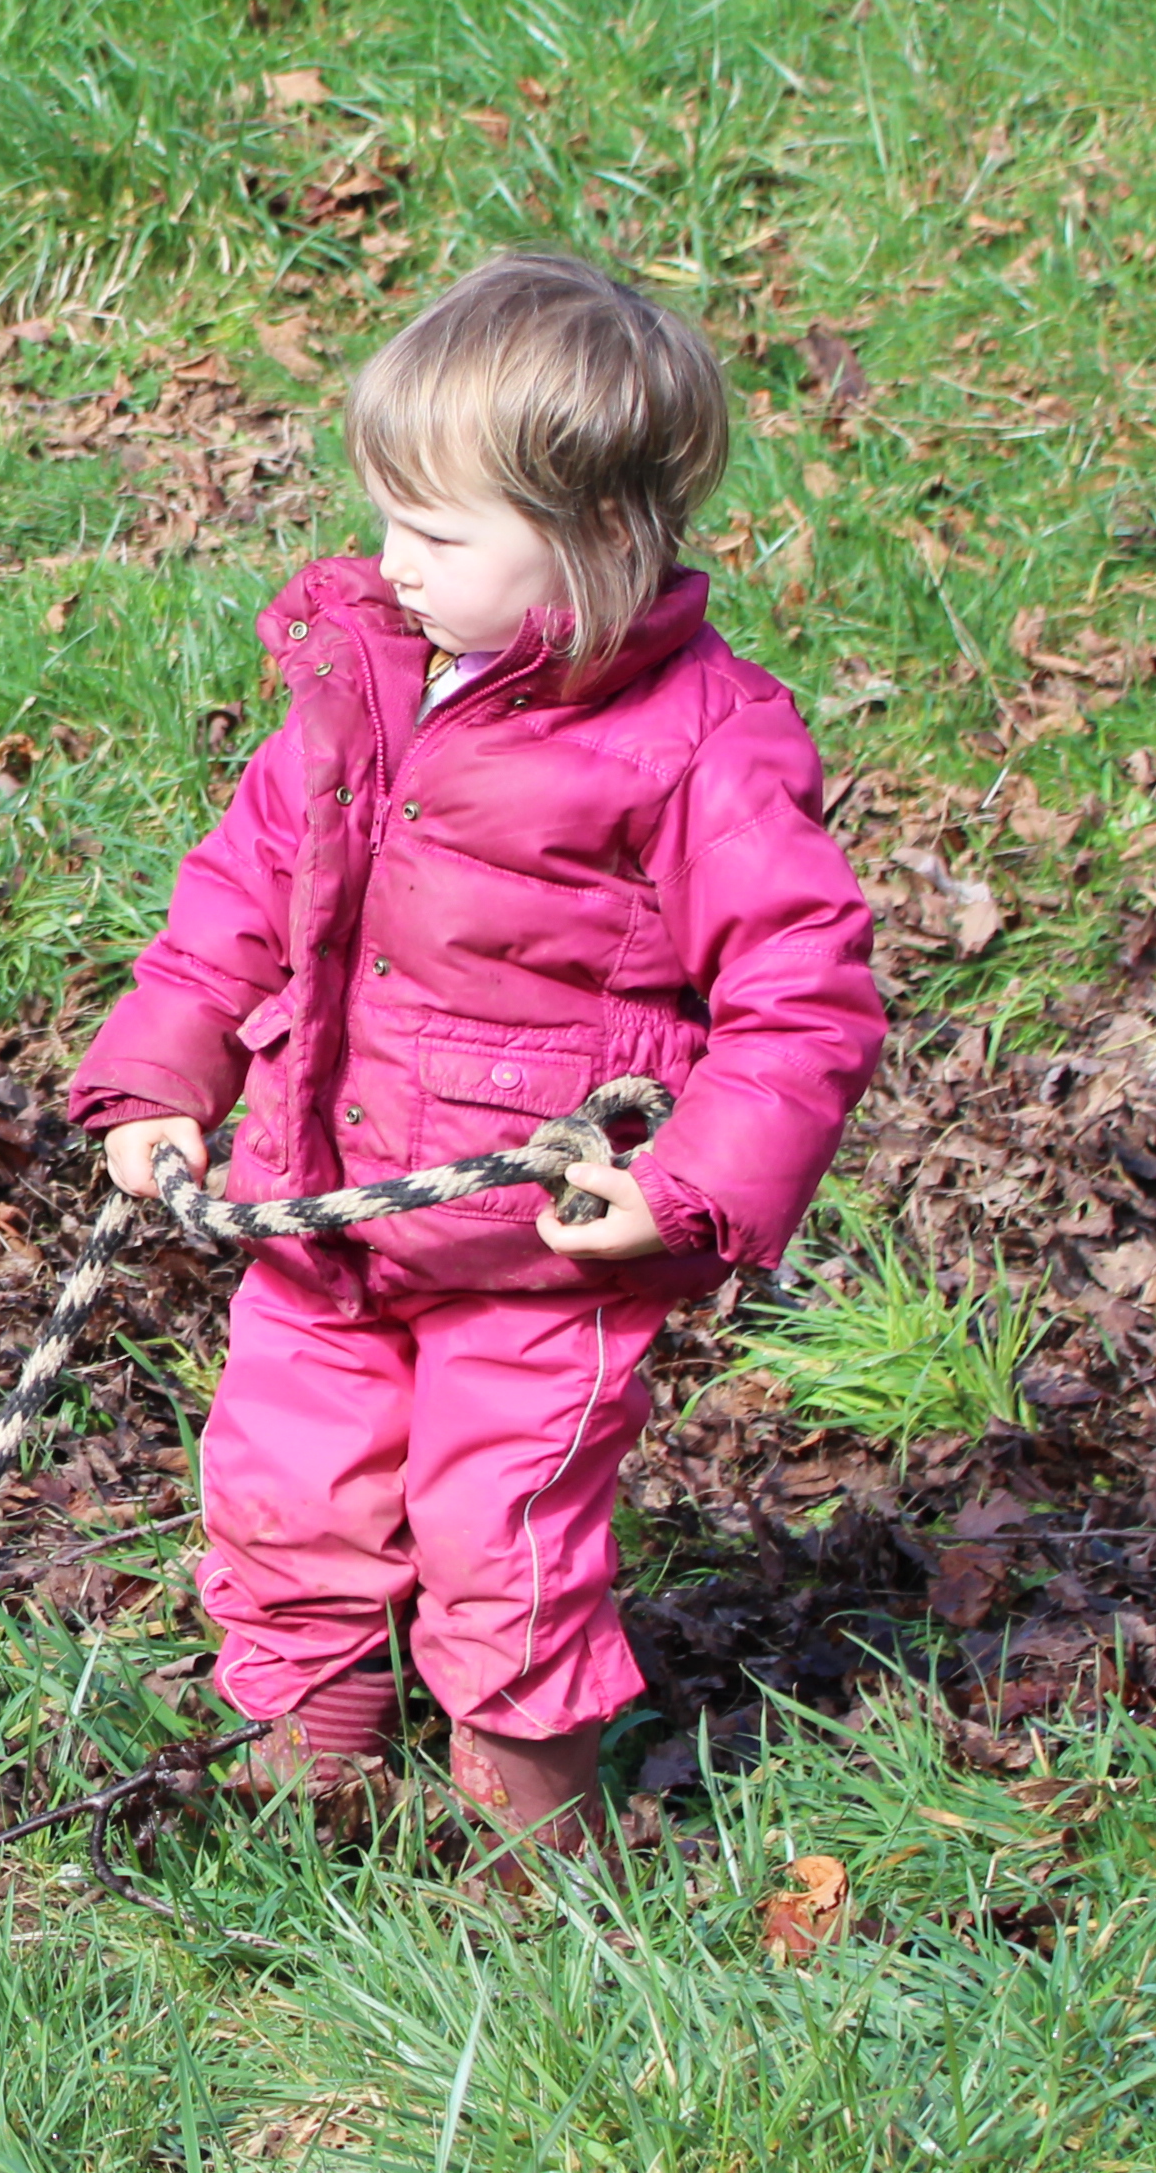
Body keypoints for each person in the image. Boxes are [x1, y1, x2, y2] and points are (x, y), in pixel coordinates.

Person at [67, 252, 885, 1868]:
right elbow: (247, 888)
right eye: (388, 522)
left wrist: (690, 1189)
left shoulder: (703, 743)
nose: (394, 565)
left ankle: (531, 1852)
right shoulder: (372, 683)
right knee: (286, 1492)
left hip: (535, 1249)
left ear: (591, 542)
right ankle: (304, 1773)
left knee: (503, 1542)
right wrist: (163, 1077)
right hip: (322, 1201)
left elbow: (805, 992)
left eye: (437, 537)